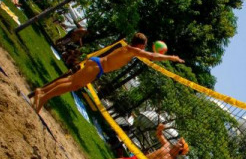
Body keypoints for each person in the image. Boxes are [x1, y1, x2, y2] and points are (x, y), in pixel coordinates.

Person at [32, 32, 184, 113]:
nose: (143, 49)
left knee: (71, 80)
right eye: (143, 46)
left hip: (97, 66)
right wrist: (171, 57)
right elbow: (152, 56)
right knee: (73, 85)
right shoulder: (132, 50)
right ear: (141, 45)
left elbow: (150, 55)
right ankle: (44, 97)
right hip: (97, 66)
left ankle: (41, 91)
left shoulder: (129, 49)